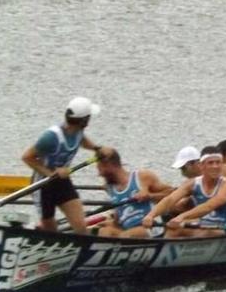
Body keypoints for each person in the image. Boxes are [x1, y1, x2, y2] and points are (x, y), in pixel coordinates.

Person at [21, 97, 114, 234]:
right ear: (84, 120)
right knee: (51, 230)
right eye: (89, 117)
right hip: (43, 184)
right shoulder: (51, 137)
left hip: (63, 181)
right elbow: (27, 157)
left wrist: (97, 148)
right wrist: (50, 173)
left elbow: (81, 139)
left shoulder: (78, 130)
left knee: (81, 227)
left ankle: (82, 249)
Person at [143, 146, 226, 238]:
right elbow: (170, 199)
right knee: (173, 229)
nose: (215, 166)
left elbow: (208, 207)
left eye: (218, 163)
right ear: (201, 166)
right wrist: (150, 215)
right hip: (203, 226)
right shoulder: (192, 183)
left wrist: (182, 217)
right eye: (210, 163)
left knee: (206, 233)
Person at [96, 150, 173, 238]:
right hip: (127, 231)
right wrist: (112, 223)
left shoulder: (143, 176)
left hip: (150, 228)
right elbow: (120, 212)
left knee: (127, 235)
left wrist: (149, 196)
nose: (99, 174)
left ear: (110, 165)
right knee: (104, 231)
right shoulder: (109, 188)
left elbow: (171, 193)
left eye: (100, 169)